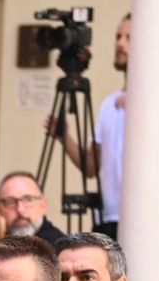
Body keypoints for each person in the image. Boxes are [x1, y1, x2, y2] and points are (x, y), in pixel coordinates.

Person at [47, 13, 129, 238]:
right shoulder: (109, 104)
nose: (120, 44)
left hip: (139, 218)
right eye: (118, 36)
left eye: (129, 38)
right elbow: (91, 166)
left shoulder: (155, 106)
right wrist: (65, 138)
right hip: (108, 219)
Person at [0, 170, 65, 248]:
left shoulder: (60, 248)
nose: (20, 210)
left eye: (28, 200)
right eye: (10, 202)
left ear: (43, 204)